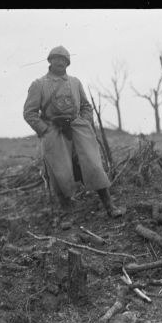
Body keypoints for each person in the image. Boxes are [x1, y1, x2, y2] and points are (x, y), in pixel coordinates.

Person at [23, 46, 123, 217]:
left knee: (94, 166)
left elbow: (85, 106)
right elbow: (29, 113)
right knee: (60, 172)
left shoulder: (75, 82)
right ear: (50, 61)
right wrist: (45, 129)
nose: (60, 62)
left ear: (68, 63)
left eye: (64, 60)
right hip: (54, 130)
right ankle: (66, 215)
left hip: (77, 128)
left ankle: (110, 206)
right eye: (56, 59)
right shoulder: (38, 85)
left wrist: (84, 122)